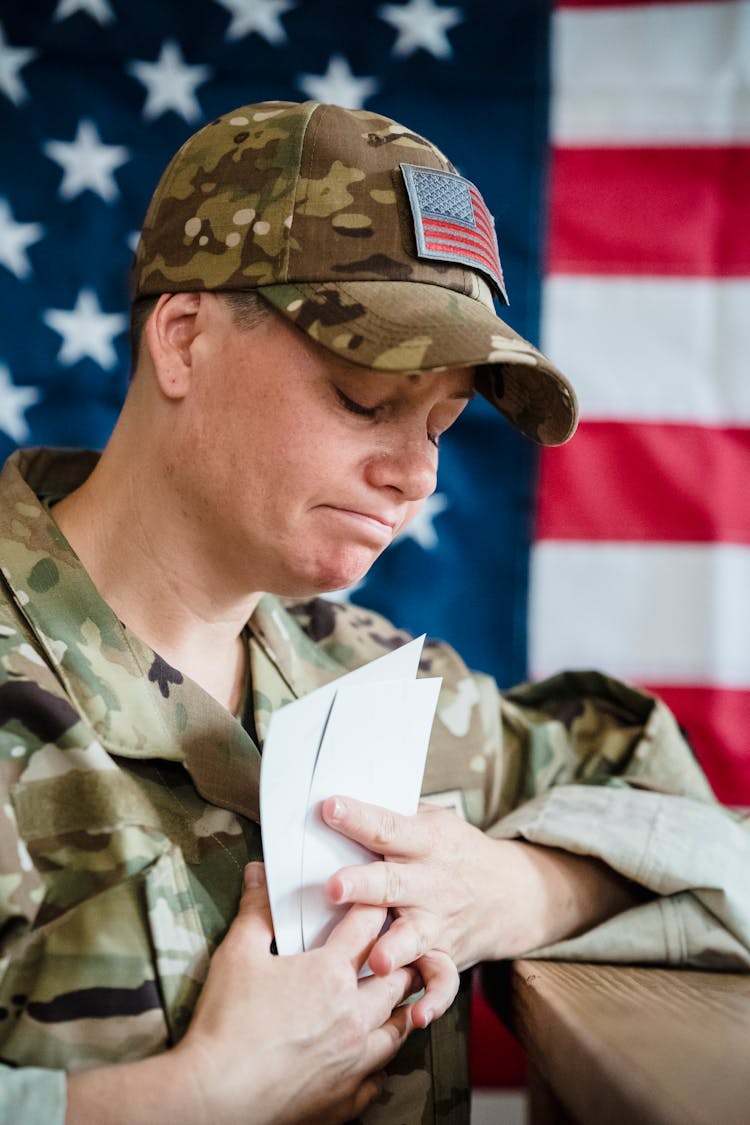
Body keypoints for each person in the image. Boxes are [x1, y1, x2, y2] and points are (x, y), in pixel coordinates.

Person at [0, 99, 748, 1124]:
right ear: (183, 340)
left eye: (443, 423)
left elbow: (712, 837)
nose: (415, 476)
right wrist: (189, 1100)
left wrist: (507, 889)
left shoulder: (378, 691)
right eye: (364, 400)